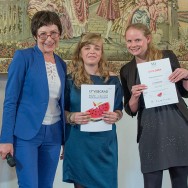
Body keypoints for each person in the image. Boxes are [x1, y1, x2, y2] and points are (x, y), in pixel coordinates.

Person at [0, 10, 66, 188]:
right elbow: (10, 101)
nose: (49, 38)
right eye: (43, 33)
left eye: (53, 33)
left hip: (53, 134)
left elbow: (62, 102)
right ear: (35, 35)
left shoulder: (61, 64)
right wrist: (5, 139)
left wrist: (65, 140)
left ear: (59, 34)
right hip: (26, 135)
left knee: (46, 185)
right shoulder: (23, 57)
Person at [120, 23, 188, 188]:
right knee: (151, 183)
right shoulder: (126, 70)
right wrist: (135, 96)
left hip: (176, 123)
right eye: (129, 41)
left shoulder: (167, 56)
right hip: (149, 129)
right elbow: (131, 109)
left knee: (180, 182)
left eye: (137, 40)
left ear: (148, 39)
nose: (133, 45)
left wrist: (186, 76)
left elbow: (184, 91)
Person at [62, 32, 123, 188]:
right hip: (79, 144)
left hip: (104, 146)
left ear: (101, 53)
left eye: (97, 48)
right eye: (87, 47)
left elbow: (119, 110)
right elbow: (62, 112)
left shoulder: (113, 80)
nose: (92, 51)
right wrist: (72, 117)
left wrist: (115, 116)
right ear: (80, 52)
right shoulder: (69, 80)